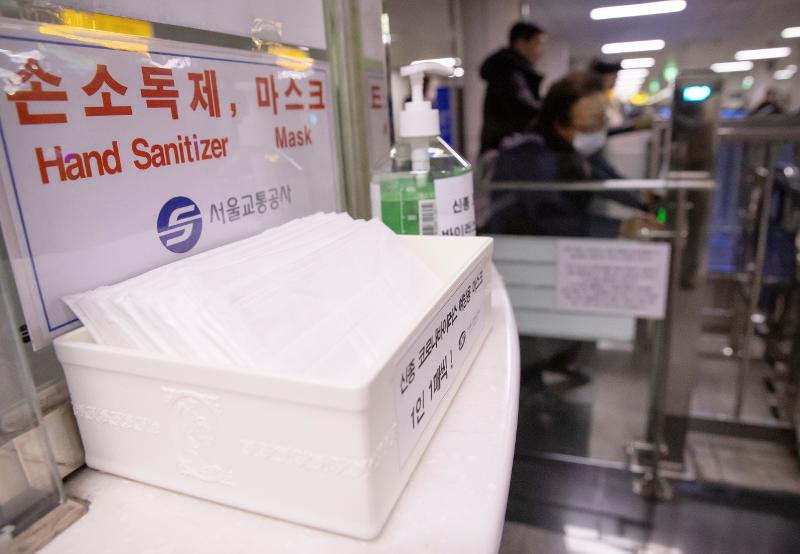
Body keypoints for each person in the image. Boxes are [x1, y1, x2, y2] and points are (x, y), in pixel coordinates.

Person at [485, 71, 655, 238]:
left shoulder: (573, 148)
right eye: (589, 126)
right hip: (519, 249)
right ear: (560, 126)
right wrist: (621, 227)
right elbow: (550, 219)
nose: (598, 133)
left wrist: (643, 198)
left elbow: (603, 179)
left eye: (602, 122)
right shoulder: (529, 155)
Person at [479, 21, 547, 153]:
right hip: (507, 150)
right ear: (521, 43)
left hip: (503, 148)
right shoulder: (510, 74)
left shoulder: (509, 70)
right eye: (538, 44)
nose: (541, 51)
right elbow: (526, 109)